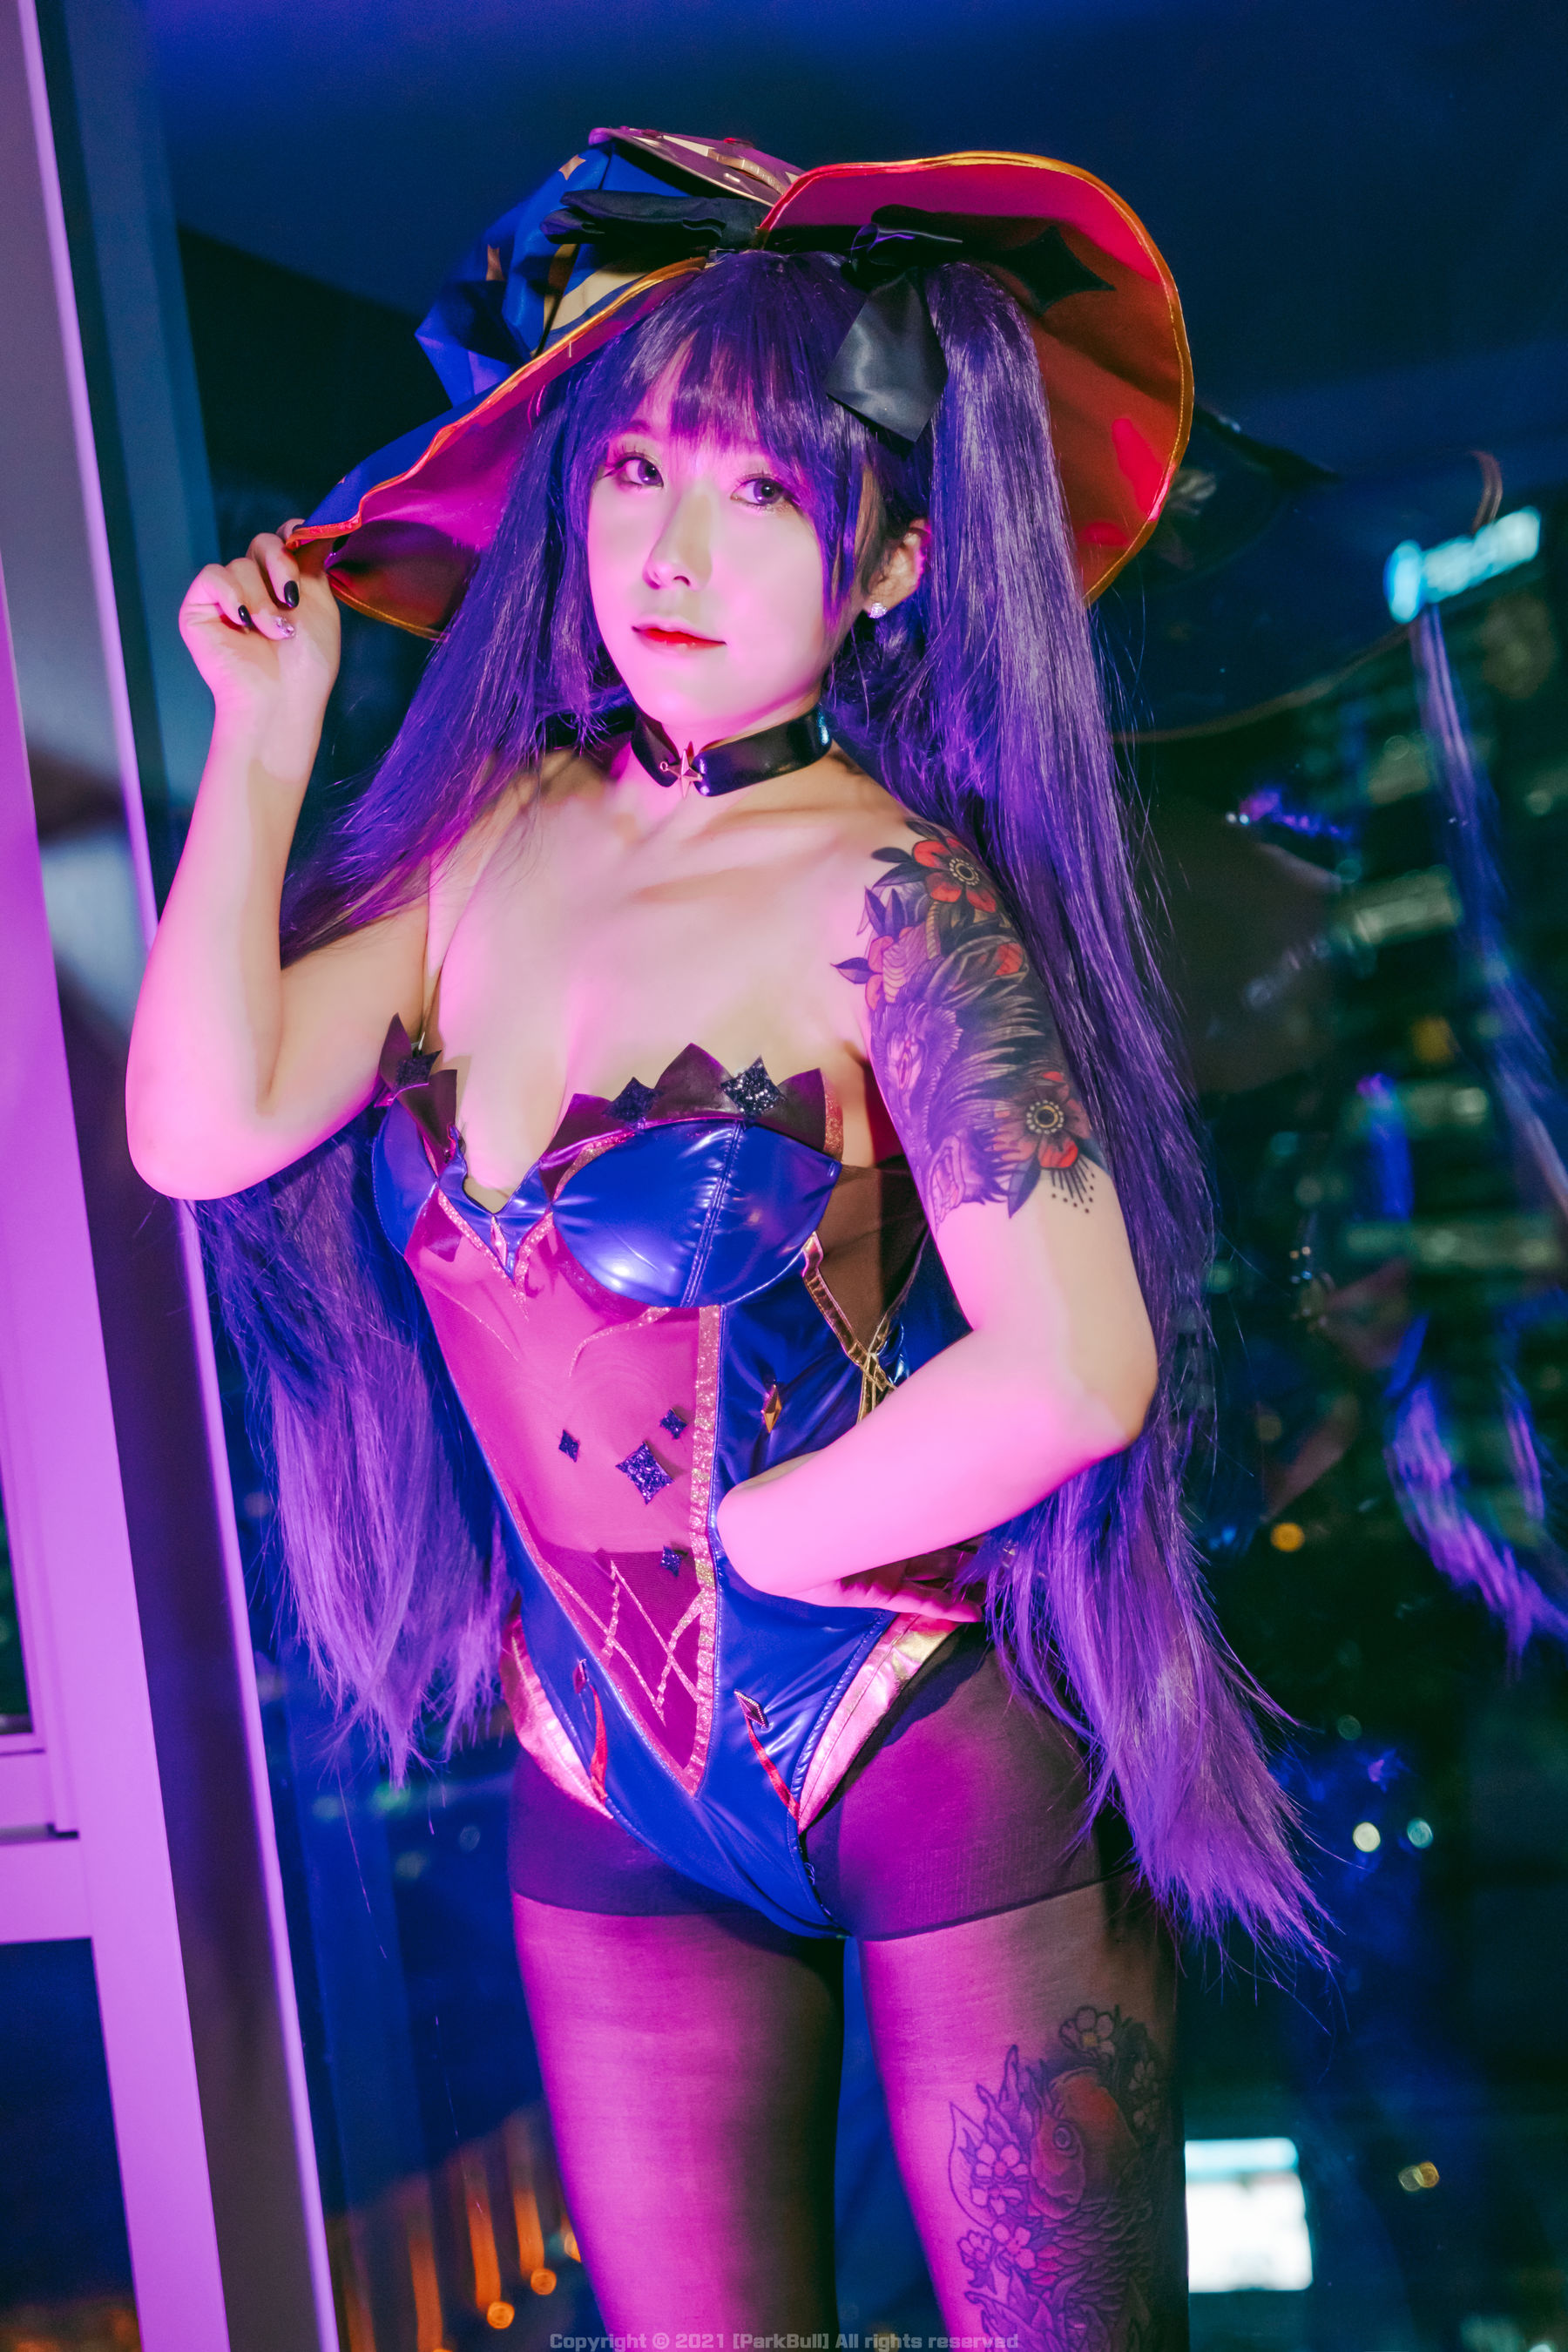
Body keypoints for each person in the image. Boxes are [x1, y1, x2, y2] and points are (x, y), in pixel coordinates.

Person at [127, 128, 1315, 2338]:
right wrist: (263, 751)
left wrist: (773, 1535)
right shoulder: (493, 841)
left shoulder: (895, 896)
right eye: (632, 473)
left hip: (912, 1739)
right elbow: (204, 1131)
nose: (672, 552)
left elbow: (1080, 1363)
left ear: (891, 565)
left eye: (764, 490)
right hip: (598, 1780)